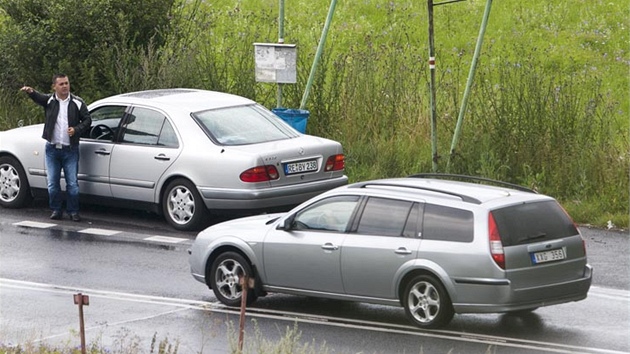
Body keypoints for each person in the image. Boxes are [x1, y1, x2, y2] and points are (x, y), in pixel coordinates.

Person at [21, 74, 92, 221]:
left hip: (70, 149)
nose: (65, 86)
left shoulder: (77, 103)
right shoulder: (50, 100)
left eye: (66, 83)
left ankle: (73, 211)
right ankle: (56, 210)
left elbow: (87, 120)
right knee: (53, 183)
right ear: (55, 86)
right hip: (52, 149)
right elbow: (38, 97)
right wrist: (31, 92)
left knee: (72, 183)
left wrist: (76, 129)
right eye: (61, 84)